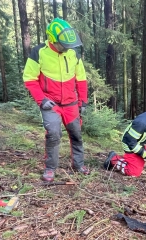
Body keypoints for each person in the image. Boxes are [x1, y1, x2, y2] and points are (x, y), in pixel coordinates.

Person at [23, 18, 90, 182]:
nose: (67, 47)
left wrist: (83, 101)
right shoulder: (39, 52)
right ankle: (50, 168)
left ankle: (78, 164)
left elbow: (81, 79)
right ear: (52, 40)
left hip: (71, 103)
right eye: (62, 44)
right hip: (50, 103)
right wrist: (41, 100)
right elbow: (30, 79)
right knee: (53, 134)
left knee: (76, 134)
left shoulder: (73, 53)